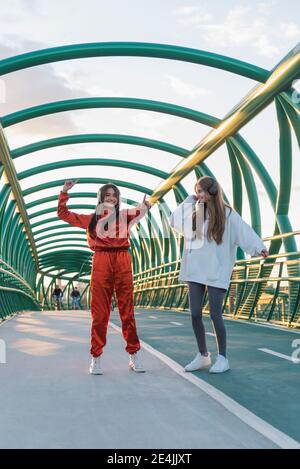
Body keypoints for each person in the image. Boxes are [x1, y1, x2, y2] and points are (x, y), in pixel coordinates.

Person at [169, 176, 269, 373]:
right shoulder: (194, 213)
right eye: (197, 191)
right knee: (195, 313)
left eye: (203, 191)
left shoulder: (228, 215)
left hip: (217, 269)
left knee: (215, 314)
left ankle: (222, 357)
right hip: (195, 269)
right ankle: (203, 355)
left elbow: (244, 231)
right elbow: (173, 221)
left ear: (213, 192)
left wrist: (258, 248)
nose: (200, 195)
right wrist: (188, 201)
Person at [57, 179, 150, 375]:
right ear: (101, 198)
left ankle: (134, 355)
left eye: (114, 195)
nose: (111, 198)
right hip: (101, 260)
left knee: (127, 311)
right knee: (99, 313)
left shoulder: (125, 215)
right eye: (107, 195)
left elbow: (144, 208)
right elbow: (63, 214)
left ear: (118, 199)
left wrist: (146, 204)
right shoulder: (92, 219)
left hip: (123, 259)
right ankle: (96, 358)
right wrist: (64, 192)